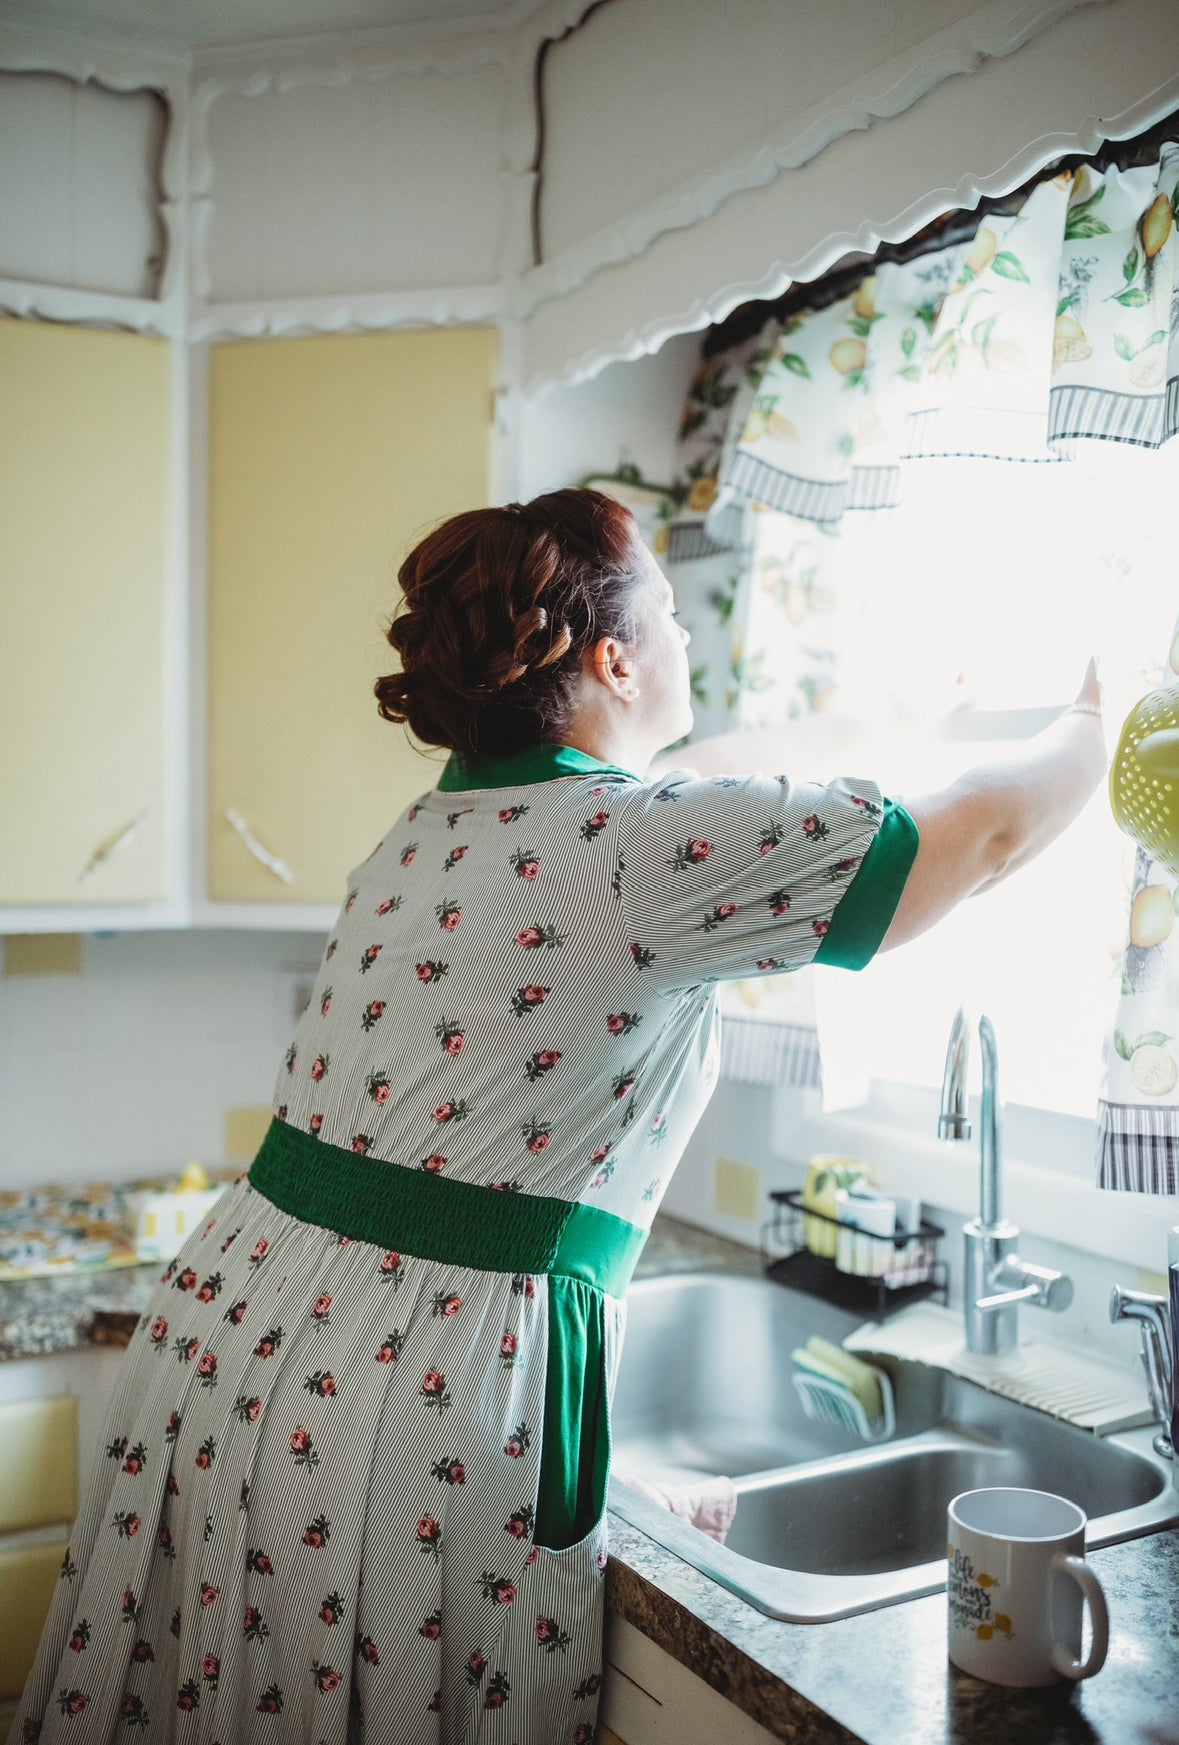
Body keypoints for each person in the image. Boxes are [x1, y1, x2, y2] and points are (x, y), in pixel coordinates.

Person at [8, 488, 1105, 1745]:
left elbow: (704, 773)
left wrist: (911, 715)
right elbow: (983, 835)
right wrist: (1088, 721)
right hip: (402, 1409)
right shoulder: (645, 848)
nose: (696, 642)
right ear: (615, 656)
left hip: (233, 1332)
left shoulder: (445, 821)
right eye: (677, 618)